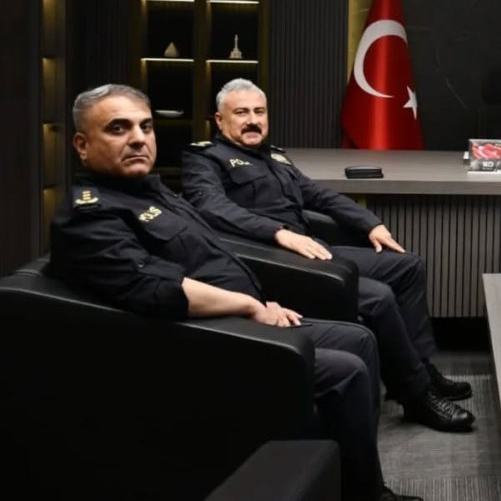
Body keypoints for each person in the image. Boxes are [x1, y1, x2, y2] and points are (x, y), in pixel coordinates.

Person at [50, 84, 415, 501]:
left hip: (239, 316)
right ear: (82, 145)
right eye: (118, 128)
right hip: (203, 340)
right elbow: (154, 287)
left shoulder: (149, 190)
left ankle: (360, 482)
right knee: (346, 369)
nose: (137, 138)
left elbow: (213, 252)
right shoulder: (90, 214)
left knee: (361, 339)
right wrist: (249, 306)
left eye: (145, 127)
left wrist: (259, 301)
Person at [180, 79, 474, 433]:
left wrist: (370, 223)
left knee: (407, 266)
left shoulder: (274, 156)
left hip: (312, 251)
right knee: (378, 297)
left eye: (259, 112)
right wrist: (278, 232)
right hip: (272, 262)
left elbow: (318, 194)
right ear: (219, 120)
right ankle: (416, 396)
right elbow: (211, 207)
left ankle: (421, 367)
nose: (253, 120)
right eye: (241, 113)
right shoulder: (204, 158)